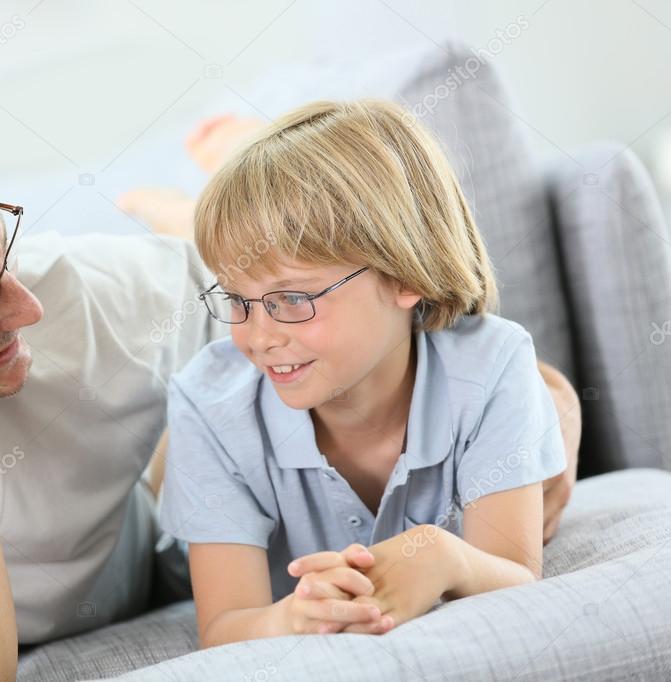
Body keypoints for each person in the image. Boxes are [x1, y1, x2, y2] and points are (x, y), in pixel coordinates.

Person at [0, 90, 579, 680]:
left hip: (138, 544)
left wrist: (533, 429)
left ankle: (198, 184)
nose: (26, 308)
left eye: (2, 254)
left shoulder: (84, 299)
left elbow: (427, 339)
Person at [157, 99, 576, 647]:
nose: (257, 335)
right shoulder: (208, 405)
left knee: (553, 397)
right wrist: (287, 618)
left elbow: (518, 577)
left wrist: (447, 556)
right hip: (161, 513)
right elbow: (224, 625)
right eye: (235, 299)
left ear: (406, 274)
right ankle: (167, 207)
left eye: (291, 298)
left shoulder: (494, 366)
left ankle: (235, 155)